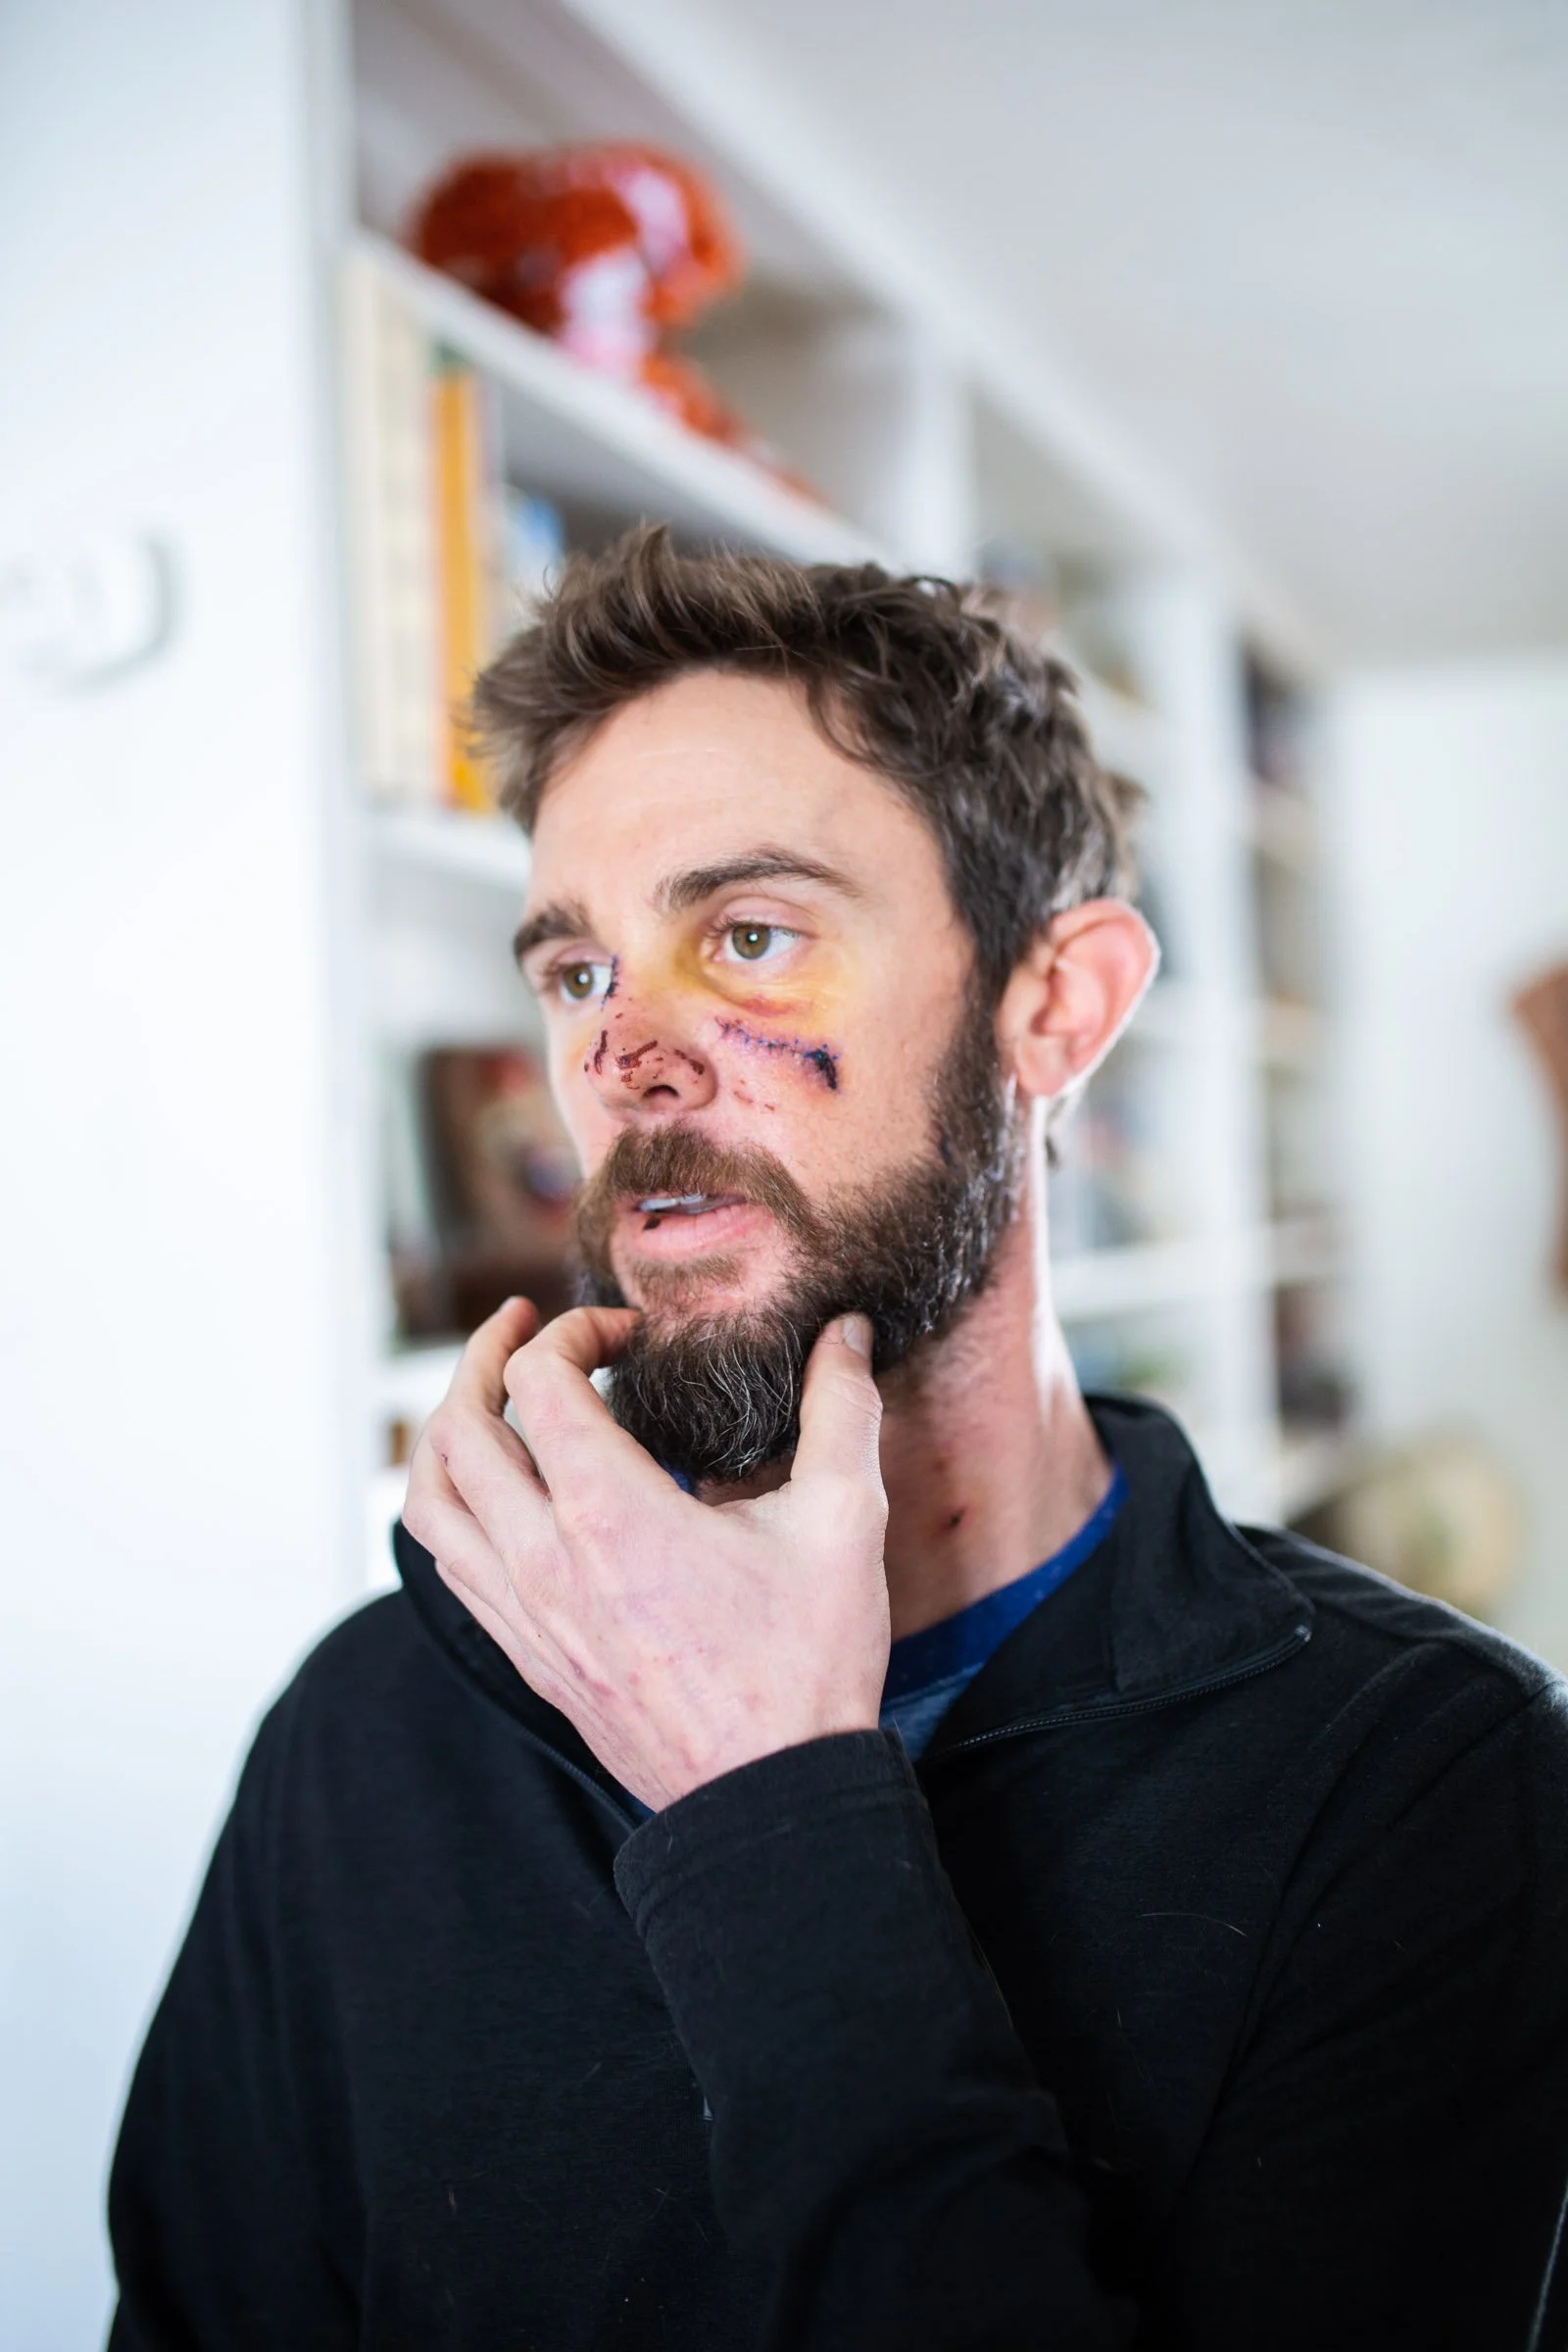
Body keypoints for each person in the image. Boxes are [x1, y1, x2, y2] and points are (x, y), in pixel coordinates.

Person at [108, 529, 1568, 2351]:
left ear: (1058, 1008)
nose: (626, 1053)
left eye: (752, 934)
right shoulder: (371, 1731)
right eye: (576, 972)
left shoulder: (1415, 1775)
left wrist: (760, 1811)